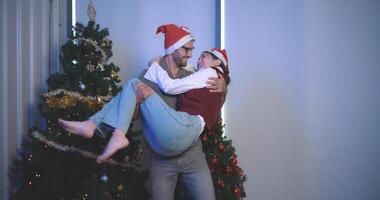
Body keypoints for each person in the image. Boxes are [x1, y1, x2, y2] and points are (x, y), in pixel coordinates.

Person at [59, 24, 227, 200]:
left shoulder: (192, 74)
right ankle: (96, 126)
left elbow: (211, 104)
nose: (190, 55)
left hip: (192, 155)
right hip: (162, 159)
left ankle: (94, 125)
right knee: (133, 87)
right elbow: (133, 115)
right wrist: (138, 101)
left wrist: (223, 89)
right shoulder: (148, 75)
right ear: (173, 48)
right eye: (186, 49)